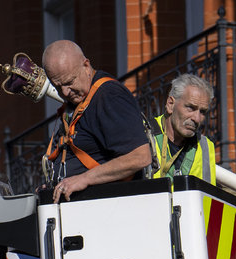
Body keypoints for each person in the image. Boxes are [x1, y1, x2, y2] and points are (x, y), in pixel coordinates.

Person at [42, 40, 153, 202]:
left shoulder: (109, 95)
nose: (64, 92)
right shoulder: (79, 101)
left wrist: (84, 179)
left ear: (86, 66)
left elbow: (140, 157)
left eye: (69, 82)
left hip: (110, 210)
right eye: (57, 86)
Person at [150, 73, 217, 183]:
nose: (197, 118)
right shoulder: (144, 134)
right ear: (170, 104)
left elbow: (207, 198)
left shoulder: (205, 146)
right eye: (190, 108)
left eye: (203, 112)